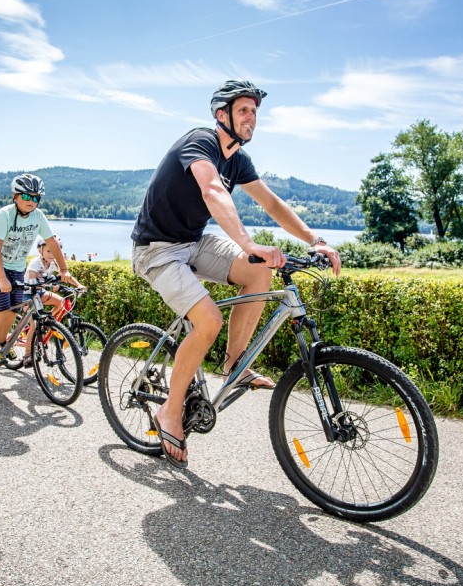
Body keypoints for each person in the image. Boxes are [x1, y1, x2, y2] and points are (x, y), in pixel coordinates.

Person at [131, 80, 341, 468]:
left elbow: (271, 202)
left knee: (259, 272)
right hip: (156, 249)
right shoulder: (200, 142)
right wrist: (248, 243)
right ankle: (169, 412)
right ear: (221, 114)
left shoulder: (239, 159)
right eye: (244, 110)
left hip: (193, 242)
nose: (251, 118)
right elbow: (213, 191)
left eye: (255, 112)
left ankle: (234, 364)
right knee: (207, 321)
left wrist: (316, 239)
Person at [0, 174, 77, 369]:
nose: (31, 201)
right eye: (26, 196)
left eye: (35, 198)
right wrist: (1, 278)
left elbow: (52, 243)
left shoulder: (38, 216)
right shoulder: (5, 215)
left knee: (14, 307)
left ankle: (1, 344)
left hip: (16, 266)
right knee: (0, 307)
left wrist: (64, 269)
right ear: (15, 196)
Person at [21, 236, 84, 368]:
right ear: (40, 251)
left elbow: (66, 277)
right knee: (34, 323)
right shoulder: (35, 263)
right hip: (28, 295)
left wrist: (78, 285)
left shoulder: (54, 264)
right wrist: (46, 286)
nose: (52, 255)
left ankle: (47, 323)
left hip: (41, 294)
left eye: (54, 252)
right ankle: (27, 354)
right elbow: (32, 280)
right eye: (48, 251)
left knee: (61, 303)